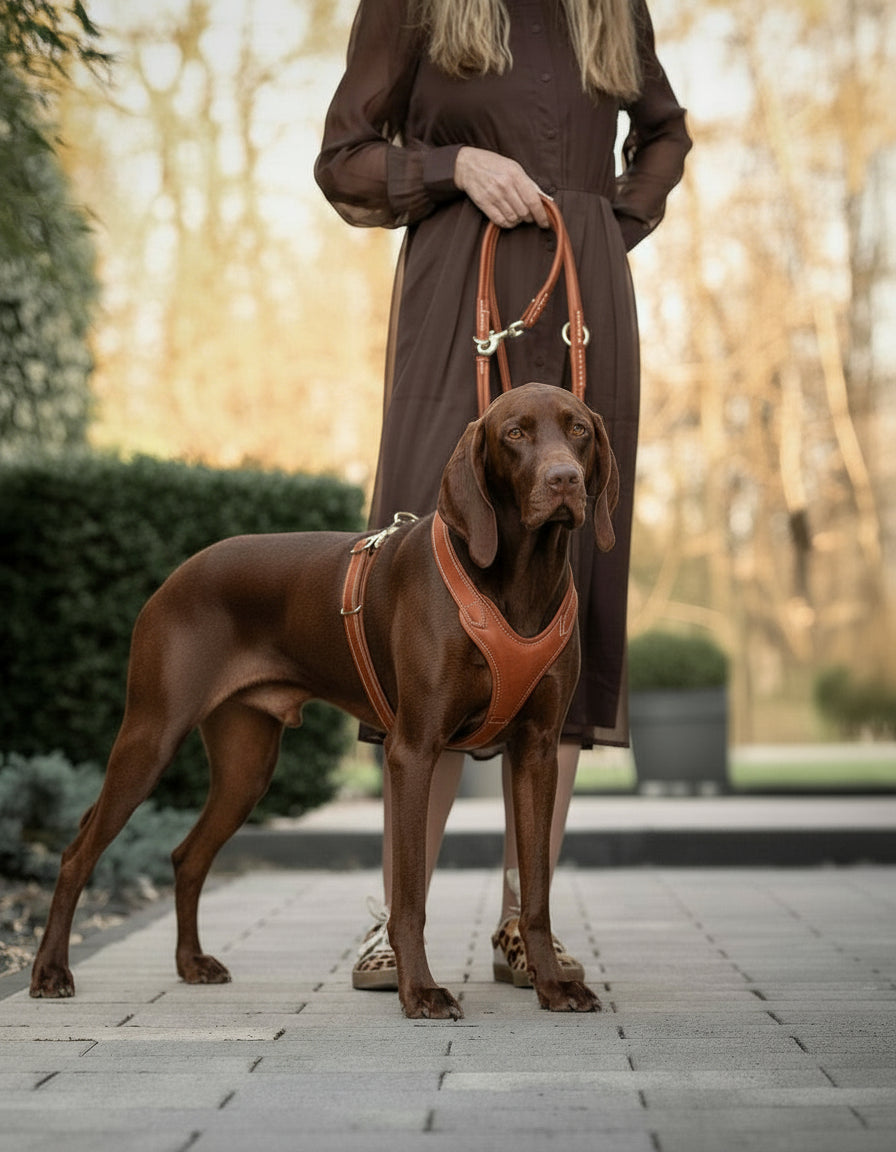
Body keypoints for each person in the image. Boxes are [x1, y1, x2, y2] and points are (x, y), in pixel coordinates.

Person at [315, 0, 691, 990]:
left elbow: (664, 128)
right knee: (432, 585)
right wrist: (453, 167)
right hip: (455, 292)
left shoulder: (613, 6)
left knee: (567, 586)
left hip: (583, 293)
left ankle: (528, 926)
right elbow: (344, 161)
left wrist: (608, 220)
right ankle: (397, 924)